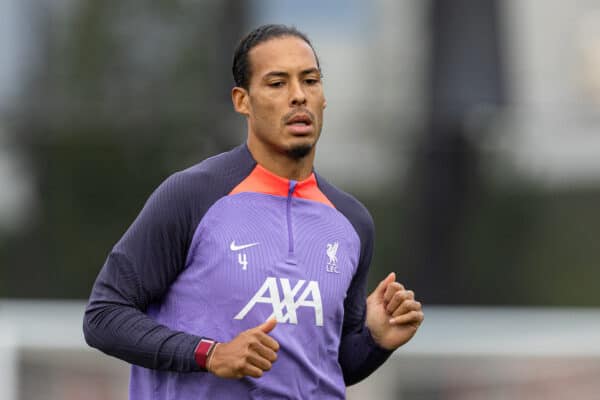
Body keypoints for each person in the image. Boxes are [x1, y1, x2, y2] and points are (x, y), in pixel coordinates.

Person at [83, 24, 424, 400]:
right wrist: (210, 354)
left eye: (310, 81)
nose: (299, 96)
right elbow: (104, 316)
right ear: (242, 101)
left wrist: (376, 340)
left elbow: (327, 364)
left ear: (323, 97)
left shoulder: (352, 222)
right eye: (277, 83)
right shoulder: (193, 196)